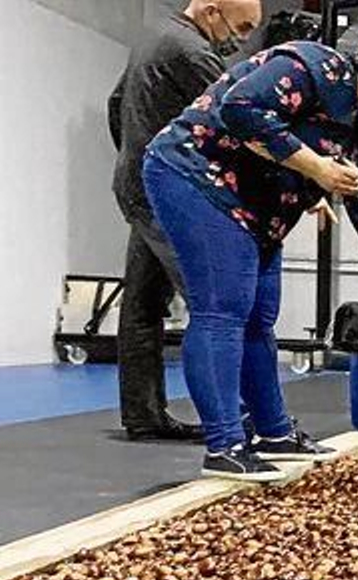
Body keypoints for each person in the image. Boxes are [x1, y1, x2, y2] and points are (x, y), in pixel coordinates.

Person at [142, 29, 358, 482]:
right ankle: (224, 445)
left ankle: (274, 433)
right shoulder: (311, 68)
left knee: (260, 315)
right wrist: (316, 167)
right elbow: (240, 108)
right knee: (223, 310)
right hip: (198, 176)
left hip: (258, 206)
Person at [108, 0, 262, 442]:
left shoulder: (153, 38)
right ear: (212, 12)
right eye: (242, 27)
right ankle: (229, 419)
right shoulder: (194, 53)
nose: (242, 39)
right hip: (168, 194)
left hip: (136, 184)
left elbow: (116, 103)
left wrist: (135, 157)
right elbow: (237, 123)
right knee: (214, 303)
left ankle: (143, 415)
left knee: (142, 304)